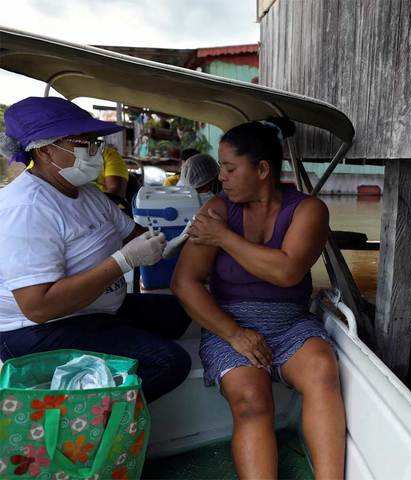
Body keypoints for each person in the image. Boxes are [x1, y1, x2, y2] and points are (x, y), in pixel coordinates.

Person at [171, 117, 345, 479]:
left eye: (231, 168)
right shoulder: (217, 210)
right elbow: (184, 283)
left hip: (291, 321)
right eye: (223, 168)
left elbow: (286, 272)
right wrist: (234, 333)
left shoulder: (308, 210)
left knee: (322, 371)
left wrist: (224, 238)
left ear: (262, 169)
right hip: (229, 323)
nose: (223, 177)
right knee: (251, 402)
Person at [0, 97, 191, 403]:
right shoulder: (27, 208)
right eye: (83, 143)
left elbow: (134, 235)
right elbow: (38, 307)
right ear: (46, 150)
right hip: (39, 330)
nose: (96, 152)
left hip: (94, 308)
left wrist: (175, 241)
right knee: (169, 362)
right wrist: (123, 262)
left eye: (95, 142)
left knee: (180, 313)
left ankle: (111, 350)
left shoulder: (87, 193)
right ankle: (81, 429)